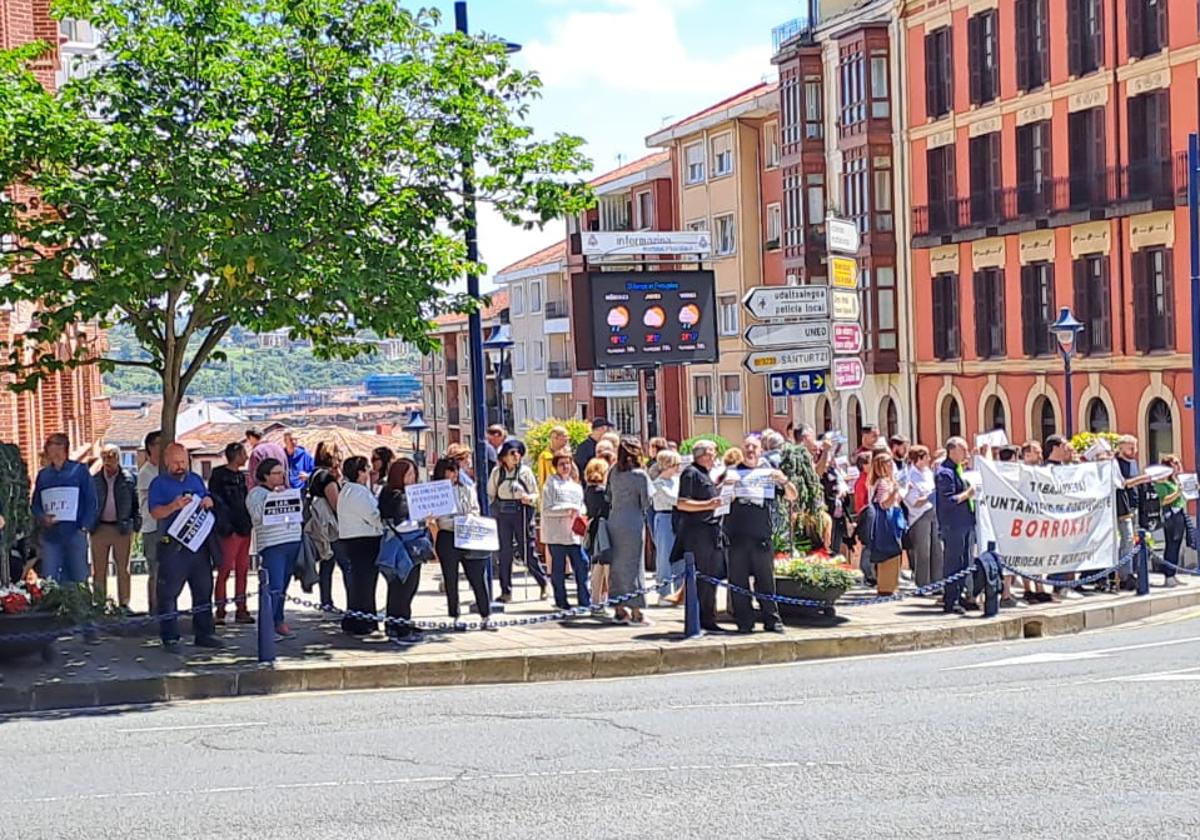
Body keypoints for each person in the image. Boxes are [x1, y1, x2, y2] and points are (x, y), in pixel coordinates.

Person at [148, 443, 222, 650]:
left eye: (183, 462)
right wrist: (174, 506)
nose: (180, 466)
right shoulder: (159, 484)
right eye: (175, 463)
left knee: (203, 590)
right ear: (166, 463)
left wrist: (208, 500)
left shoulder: (195, 479)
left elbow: (205, 497)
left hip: (198, 545)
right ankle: (170, 637)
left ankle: (204, 634)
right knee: (169, 593)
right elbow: (155, 513)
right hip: (173, 546)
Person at [725, 435, 793, 633]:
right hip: (736, 535)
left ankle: (772, 620)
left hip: (761, 536)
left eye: (754, 447)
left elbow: (791, 496)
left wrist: (784, 480)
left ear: (761, 450)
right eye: (746, 447)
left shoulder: (768, 474)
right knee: (738, 582)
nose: (750, 450)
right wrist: (728, 490)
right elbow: (720, 500)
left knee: (766, 581)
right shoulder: (733, 473)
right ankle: (744, 622)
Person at [433, 456, 494, 627]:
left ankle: (485, 614)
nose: (453, 475)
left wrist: (465, 519)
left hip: (468, 535)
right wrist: (457, 521)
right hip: (448, 537)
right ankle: (455, 616)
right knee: (450, 579)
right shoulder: (437, 491)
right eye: (449, 472)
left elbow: (475, 510)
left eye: (455, 471)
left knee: (477, 576)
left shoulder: (466, 488)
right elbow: (441, 521)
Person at [676, 439, 728, 632]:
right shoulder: (690, 473)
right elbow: (682, 503)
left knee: (711, 577)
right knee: (702, 577)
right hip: (697, 533)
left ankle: (708, 617)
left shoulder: (705, 474)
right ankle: (698, 619)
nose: (715, 455)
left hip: (712, 532)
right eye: (713, 452)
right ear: (704, 454)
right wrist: (709, 505)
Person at [32, 433, 98, 585]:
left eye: (56, 445)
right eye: (50, 446)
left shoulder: (79, 470)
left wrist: (84, 526)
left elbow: (91, 500)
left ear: (64, 449)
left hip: (74, 532)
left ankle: (80, 606)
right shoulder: (44, 475)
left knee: (78, 576)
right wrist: (42, 517)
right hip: (51, 536)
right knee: (50, 578)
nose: (52, 450)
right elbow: (35, 503)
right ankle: (53, 607)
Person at [246, 457, 299, 640]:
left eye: (282, 472)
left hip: (291, 541)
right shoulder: (256, 494)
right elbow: (257, 515)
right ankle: (267, 626)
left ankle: (279, 621)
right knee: (274, 585)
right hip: (272, 544)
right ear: (265, 476)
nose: (281, 476)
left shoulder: (288, 490)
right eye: (276, 473)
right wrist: (275, 496)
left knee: (283, 585)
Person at [488, 439, 548, 601]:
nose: (516, 456)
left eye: (518, 453)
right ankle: (506, 591)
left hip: (522, 512)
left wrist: (529, 498)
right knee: (504, 553)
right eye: (512, 453)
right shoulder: (497, 473)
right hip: (503, 514)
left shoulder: (525, 472)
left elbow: (536, 494)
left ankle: (543, 583)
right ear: (504, 457)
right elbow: (490, 494)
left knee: (526, 551)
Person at [377, 458, 427, 644]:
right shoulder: (397, 496)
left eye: (414, 473)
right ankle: (401, 627)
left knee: (400, 588)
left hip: (405, 547)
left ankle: (397, 623)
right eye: (408, 474)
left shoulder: (388, 492)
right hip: (402, 548)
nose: (412, 478)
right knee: (404, 587)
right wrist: (423, 521)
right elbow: (402, 525)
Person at [606, 437, 652, 626]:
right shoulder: (640, 475)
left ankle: (618, 609)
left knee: (616, 566)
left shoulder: (613, 472)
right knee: (634, 566)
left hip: (614, 520)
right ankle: (636, 612)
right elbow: (646, 501)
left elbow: (608, 495)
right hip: (633, 523)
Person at [90, 443, 141, 611]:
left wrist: (135, 524)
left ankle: (124, 603)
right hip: (100, 528)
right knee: (99, 569)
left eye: (112, 457)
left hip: (122, 528)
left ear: (118, 458)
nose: (108, 461)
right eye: (105, 457)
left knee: (123, 568)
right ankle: (99, 602)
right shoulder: (95, 479)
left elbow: (136, 503)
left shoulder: (129, 478)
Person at [208, 442, 254, 623]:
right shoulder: (219, 475)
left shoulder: (242, 477)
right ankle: (220, 609)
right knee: (225, 568)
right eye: (243, 453)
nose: (246, 457)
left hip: (244, 526)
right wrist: (226, 524)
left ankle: (241, 608)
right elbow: (217, 501)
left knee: (243, 569)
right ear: (236, 455)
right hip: (228, 528)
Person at [337, 456, 383, 635]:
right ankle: (365, 620)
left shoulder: (346, 490)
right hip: (365, 540)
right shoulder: (359, 492)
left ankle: (356, 617)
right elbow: (373, 516)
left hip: (351, 539)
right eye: (366, 469)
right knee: (366, 583)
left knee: (357, 581)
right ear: (360, 472)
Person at [540, 453, 590, 611]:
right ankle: (561, 601)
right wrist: (567, 509)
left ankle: (584, 600)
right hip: (556, 534)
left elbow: (582, 506)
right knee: (558, 569)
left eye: (567, 463)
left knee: (582, 565)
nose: (565, 467)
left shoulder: (576, 486)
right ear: (556, 466)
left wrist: (579, 511)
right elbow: (547, 509)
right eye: (562, 464)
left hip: (573, 534)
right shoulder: (550, 484)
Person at [305, 442, 348, 611]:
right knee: (345, 564)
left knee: (327, 563)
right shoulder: (327, 478)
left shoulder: (314, 474)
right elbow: (337, 505)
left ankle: (326, 600)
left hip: (319, 525)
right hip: (331, 527)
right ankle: (345, 602)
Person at [936, 437, 976, 615]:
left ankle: (961, 596)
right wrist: (967, 494)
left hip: (966, 522)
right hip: (953, 525)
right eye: (963, 450)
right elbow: (947, 501)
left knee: (965, 562)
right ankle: (950, 600)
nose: (966, 454)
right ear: (952, 450)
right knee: (954, 562)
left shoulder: (959, 470)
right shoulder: (945, 473)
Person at [1116, 435, 1153, 588]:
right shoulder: (1116, 464)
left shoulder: (1133, 463)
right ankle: (1124, 576)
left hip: (1134, 506)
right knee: (1127, 540)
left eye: (1135, 447)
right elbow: (1123, 483)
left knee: (1133, 541)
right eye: (1130, 447)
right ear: (1121, 447)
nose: (1134, 450)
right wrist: (1142, 479)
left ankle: (1131, 571)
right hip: (1122, 508)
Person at [904, 446, 942, 590]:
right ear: (919, 459)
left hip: (933, 512)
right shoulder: (910, 476)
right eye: (926, 457)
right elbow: (913, 501)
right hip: (919, 516)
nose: (929, 459)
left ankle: (938, 582)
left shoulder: (928, 473)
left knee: (937, 549)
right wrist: (929, 497)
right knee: (923, 551)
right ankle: (923, 584)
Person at [867, 452, 904, 596]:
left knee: (894, 551)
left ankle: (892, 585)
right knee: (889, 550)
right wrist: (894, 492)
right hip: (886, 520)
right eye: (888, 462)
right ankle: (887, 587)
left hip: (893, 517)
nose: (891, 465)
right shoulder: (882, 482)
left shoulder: (889, 481)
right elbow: (884, 504)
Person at [651, 449, 683, 602]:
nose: (678, 467)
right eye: (675, 464)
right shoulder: (657, 483)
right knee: (665, 556)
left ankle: (680, 591)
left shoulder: (677, 480)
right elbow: (673, 499)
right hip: (664, 517)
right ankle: (663, 593)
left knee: (680, 557)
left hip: (679, 518)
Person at [137, 430, 163, 612]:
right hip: (152, 527)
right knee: (155, 570)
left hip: (167, 527)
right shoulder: (146, 472)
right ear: (151, 448)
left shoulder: (163, 470)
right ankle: (154, 608)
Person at [1154, 455, 1187, 588]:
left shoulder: (1176, 481)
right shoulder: (1162, 483)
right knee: (1171, 545)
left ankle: (1173, 573)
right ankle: (1168, 575)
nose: (1178, 465)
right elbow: (1164, 500)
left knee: (1177, 544)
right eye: (1175, 463)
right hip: (1170, 516)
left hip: (1179, 513)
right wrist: (1178, 493)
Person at [583, 457, 612, 612]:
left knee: (596, 566)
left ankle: (595, 600)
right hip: (603, 529)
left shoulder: (588, 490)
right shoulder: (602, 491)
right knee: (606, 565)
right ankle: (606, 599)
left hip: (593, 527)